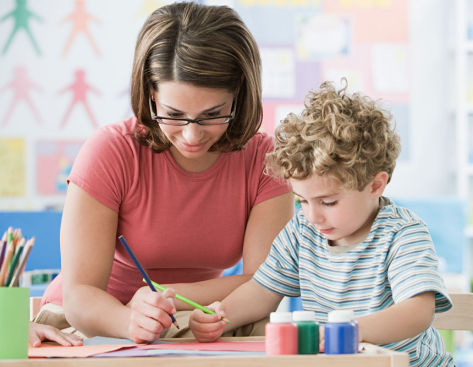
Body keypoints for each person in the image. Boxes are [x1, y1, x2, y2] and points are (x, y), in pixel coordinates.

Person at [36, 1, 294, 343]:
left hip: (197, 316)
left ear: (239, 94)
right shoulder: (110, 152)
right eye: (173, 114)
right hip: (99, 320)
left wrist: (165, 293)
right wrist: (130, 318)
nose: (191, 135)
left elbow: (265, 283)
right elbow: (80, 297)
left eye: (212, 114)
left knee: (271, 333)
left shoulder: (266, 159)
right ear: (151, 95)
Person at [188, 80, 455, 366]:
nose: (312, 216)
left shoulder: (401, 234)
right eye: (301, 201)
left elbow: (417, 312)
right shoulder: (302, 232)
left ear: (375, 185)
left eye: (328, 202)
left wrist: (346, 332)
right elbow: (262, 292)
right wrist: (220, 314)